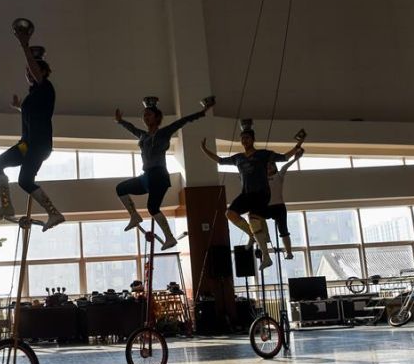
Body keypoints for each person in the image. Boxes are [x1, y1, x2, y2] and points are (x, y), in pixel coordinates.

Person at [0, 28, 64, 231]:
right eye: (26, 73)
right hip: (26, 145)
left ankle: (54, 213)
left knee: (24, 181)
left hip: (39, 146)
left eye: (32, 71)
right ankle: (6, 206)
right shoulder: (33, 96)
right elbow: (35, 113)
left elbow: (36, 74)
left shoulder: (46, 87)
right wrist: (19, 107)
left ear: (42, 72)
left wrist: (24, 45)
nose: (28, 74)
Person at [115, 97, 214, 249]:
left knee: (152, 208)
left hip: (159, 175)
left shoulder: (164, 132)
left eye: (149, 114)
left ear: (157, 117)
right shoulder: (143, 135)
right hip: (146, 176)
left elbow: (182, 121)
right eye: (144, 115)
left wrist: (203, 111)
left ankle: (169, 237)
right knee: (121, 188)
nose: (146, 117)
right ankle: (134, 216)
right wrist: (120, 121)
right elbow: (132, 128)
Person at [201, 126, 304, 269]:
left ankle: (266, 257)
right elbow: (220, 160)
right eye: (242, 138)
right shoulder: (238, 158)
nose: (244, 140)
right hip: (246, 193)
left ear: (253, 139)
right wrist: (204, 149)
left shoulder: (263, 154)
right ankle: (251, 235)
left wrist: (298, 145)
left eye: (247, 138)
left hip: (261, 193)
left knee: (254, 219)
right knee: (229, 213)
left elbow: (284, 157)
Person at [265, 148, 303, 259]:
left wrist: (295, 158)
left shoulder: (279, 175)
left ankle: (289, 252)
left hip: (279, 207)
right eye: (267, 166)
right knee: (255, 217)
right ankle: (264, 245)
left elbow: (285, 166)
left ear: (275, 166)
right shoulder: (262, 179)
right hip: (267, 207)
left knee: (283, 231)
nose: (269, 167)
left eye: (271, 165)